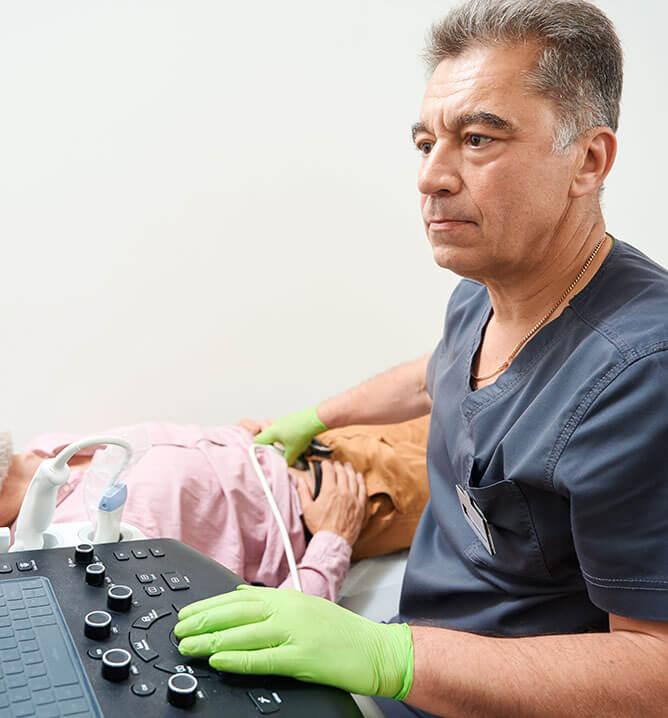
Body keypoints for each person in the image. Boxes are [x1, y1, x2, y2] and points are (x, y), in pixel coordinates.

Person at [173, 1, 668, 716]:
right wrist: (314, 415)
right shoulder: (488, 288)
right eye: (424, 142)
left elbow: (655, 669)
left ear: (588, 161)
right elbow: (436, 376)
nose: (430, 177)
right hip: (416, 628)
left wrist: (389, 659)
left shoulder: (642, 372)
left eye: (476, 140)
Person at [0, 418, 429, 600]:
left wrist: (230, 442)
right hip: (357, 500)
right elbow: (264, 627)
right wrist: (333, 540)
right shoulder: (72, 548)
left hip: (328, 441)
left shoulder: (49, 449)